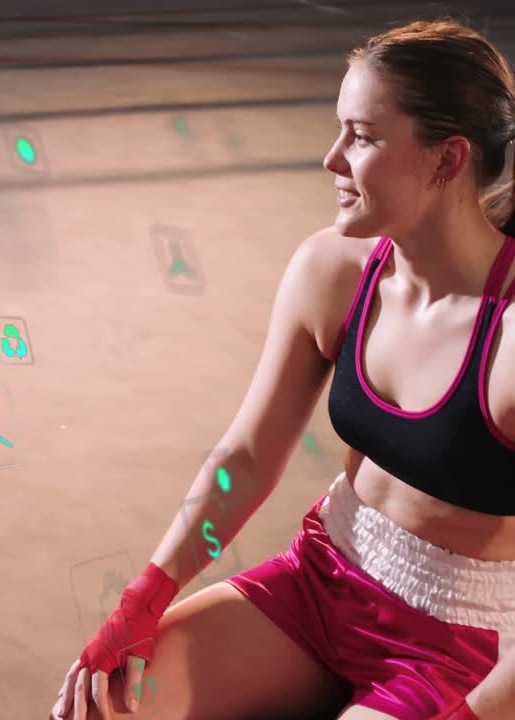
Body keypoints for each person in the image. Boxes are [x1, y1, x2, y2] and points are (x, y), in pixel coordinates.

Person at [51, 18, 515, 720]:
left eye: (361, 137)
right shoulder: (332, 270)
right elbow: (246, 456)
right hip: (319, 581)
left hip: (457, 647)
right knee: (100, 708)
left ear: (447, 160)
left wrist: (475, 715)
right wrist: (144, 597)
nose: (331, 159)